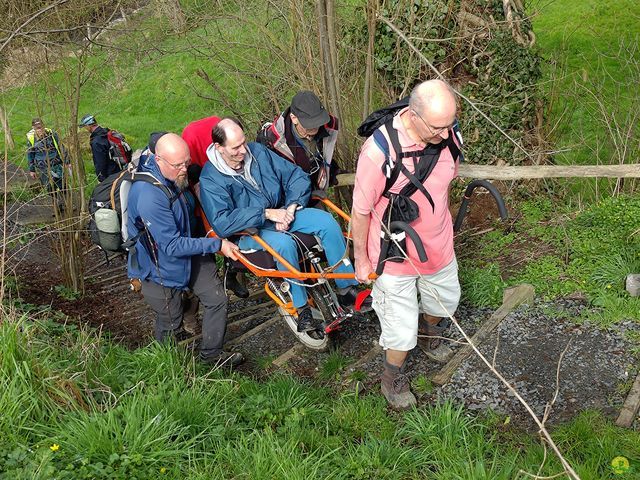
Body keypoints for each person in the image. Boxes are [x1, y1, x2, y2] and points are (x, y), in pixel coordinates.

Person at [351, 79, 462, 409]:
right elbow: (360, 211)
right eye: (438, 127)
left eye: (450, 125)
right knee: (400, 331)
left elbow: (444, 184)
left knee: (443, 304)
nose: (446, 135)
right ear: (413, 116)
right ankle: (391, 378)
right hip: (393, 255)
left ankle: (429, 337)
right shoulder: (378, 152)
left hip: (438, 246)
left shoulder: (449, 135)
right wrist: (361, 260)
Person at [199, 117, 365, 333]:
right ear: (218, 147)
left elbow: (295, 175)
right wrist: (265, 213)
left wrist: (291, 207)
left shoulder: (257, 152)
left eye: (243, 143)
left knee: (326, 222)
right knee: (284, 244)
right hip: (250, 230)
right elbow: (222, 222)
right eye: (235, 147)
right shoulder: (211, 178)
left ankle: (347, 288)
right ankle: (302, 308)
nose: (243, 150)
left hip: (282, 211)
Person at [126, 132, 244, 367]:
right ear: (158, 160)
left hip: (191, 251)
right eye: (178, 165)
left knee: (216, 299)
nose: (184, 169)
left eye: (186, 162)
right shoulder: (149, 195)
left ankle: (211, 356)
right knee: (170, 320)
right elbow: (171, 245)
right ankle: (165, 367)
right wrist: (218, 244)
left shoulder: (174, 175)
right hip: (159, 265)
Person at [181, 115, 249, 299]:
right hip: (202, 182)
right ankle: (218, 279)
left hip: (227, 174)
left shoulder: (224, 131)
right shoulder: (193, 135)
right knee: (213, 228)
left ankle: (231, 271)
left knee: (236, 219)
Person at [257, 91, 340, 191]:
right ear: (294, 118)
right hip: (288, 196)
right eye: (310, 123)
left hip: (315, 190)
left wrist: (330, 171)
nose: (316, 126)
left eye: (318, 121)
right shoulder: (272, 141)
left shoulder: (328, 126)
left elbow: (323, 154)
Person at [26, 117, 67, 200]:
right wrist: (32, 169)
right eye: (37, 128)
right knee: (49, 188)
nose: (40, 129)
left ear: (43, 126)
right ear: (33, 128)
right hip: (43, 168)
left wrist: (67, 161)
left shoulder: (52, 134)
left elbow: (61, 147)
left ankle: (67, 203)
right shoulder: (31, 139)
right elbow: (30, 154)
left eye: (41, 127)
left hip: (56, 165)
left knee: (62, 186)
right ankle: (56, 206)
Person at [78, 114, 122, 182]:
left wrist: (101, 178)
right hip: (119, 168)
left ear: (88, 126)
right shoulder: (107, 131)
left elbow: (100, 163)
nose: (85, 129)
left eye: (85, 126)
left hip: (110, 175)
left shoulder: (96, 142)